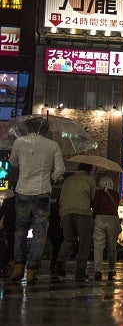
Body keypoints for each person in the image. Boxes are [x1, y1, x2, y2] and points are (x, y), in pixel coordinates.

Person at [9, 117, 64, 283]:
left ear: (28, 128)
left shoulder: (19, 142)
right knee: (40, 233)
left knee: (20, 230)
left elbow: (13, 163)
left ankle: (18, 266)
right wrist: (53, 177)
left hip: (23, 191)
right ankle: (32, 269)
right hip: (42, 192)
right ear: (46, 130)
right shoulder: (53, 145)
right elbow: (60, 169)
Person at [56, 162, 96, 280]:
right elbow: (92, 198)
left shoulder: (68, 180)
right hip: (83, 213)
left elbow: (61, 198)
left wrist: (62, 215)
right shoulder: (89, 180)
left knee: (69, 240)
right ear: (89, 170)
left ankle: (61, 259)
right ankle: (80, 271)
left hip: (67, 212)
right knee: (84, 243)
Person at [91, 176, 122, 281]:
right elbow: (116, 207)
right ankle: (111, 269)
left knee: (98, 246)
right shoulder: (116, 195)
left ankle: (98, 270)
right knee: (112, 246)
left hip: (99, 219)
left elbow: (94, 207)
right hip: (112, 219)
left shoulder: (97, 194)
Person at [48, 194, 65, 278]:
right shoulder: (63, 208)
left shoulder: (52, 207)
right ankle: (55, 264)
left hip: (52, 231)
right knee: (58, 249)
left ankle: (53, 263)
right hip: (59, 231)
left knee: (55, 248)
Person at [0, 191, 16, 276]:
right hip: (16, 227)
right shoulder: (17, 203)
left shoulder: (5, 203)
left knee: (7, 246)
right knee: (13, 246)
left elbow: (1, 213)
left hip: (7, 227)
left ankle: (4, 265)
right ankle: (12, 262)